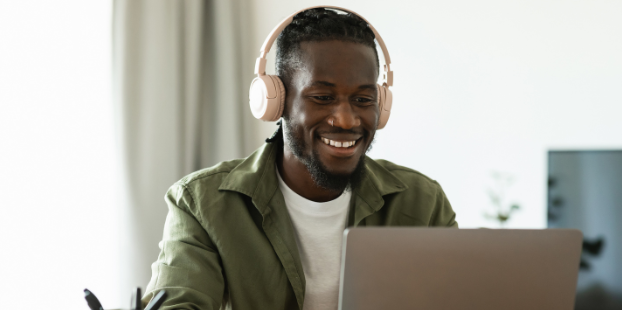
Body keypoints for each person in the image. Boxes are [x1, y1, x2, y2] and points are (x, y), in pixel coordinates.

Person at [141, 7, 457, 310]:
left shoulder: (423, 203)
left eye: (363, 100)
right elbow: (179, 302)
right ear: (276, 102)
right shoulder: (201, 203)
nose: (347, 120)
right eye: (322, 97)